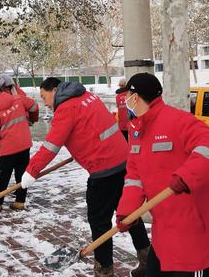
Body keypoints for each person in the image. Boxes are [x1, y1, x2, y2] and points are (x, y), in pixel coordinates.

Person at [21, 77, 150, 277]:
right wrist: (82, 145)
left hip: (103, 170)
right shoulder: (88, 96)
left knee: (100, 222)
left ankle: (104, 271)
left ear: (55, 90)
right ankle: (147, 259)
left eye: (44, 97)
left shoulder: (65, 109)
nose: (44, 102)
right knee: (129, 213)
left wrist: (31, 171)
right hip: (123, 162)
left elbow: (50, 146)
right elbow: (94, 126)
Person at [115, 73, 209, 277]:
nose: (124, 101)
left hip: (194, 231)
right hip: (164, 230)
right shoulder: (137, 130)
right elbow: (134, 176)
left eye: (127, 96)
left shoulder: (177, 120)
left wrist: (187, 176)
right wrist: (127, 211)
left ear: (137, 97)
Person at [0, 74, 39, 196]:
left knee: (5, 173)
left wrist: (30, 120)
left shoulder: (18, 95)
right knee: (17, 171)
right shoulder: (14, 97)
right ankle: (18, 198)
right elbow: (33, 106)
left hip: (10, 144)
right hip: (23, 142)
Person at [0, 86, 32, 213]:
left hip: (8, 150)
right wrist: (32, 119)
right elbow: (34, 106)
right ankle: (20, 202)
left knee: (1, 177)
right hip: (25, 145)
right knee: (21, 175)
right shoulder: (17, 99)